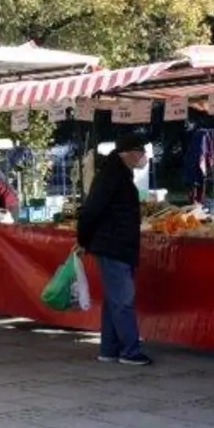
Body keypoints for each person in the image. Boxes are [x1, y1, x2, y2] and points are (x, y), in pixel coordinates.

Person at [76, 133, 151, 366]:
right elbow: (90, 211)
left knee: (113, 300)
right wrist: (83, 239)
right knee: (123, 300)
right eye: (141, 153)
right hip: (114, 245)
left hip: (115, 244)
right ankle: (130, 350)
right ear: (128, 153)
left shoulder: (116, 174)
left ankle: (109, 349)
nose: (144, 158)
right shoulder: (112, 177)